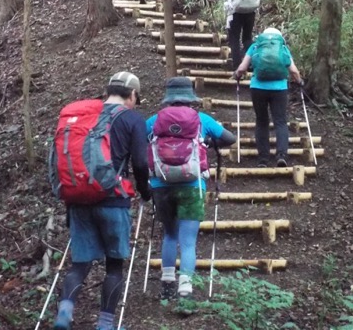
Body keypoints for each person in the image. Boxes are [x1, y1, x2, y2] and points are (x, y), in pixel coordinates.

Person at [53, 72, 151, 330]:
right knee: (114, 266)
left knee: (80, 264)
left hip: (78, 199)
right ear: (132, 95)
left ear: (107, 92)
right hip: (113, 200)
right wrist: (146, 191)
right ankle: (105, 323)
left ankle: (65, 311)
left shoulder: (86, 116)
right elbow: (140, 162)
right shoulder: (132, 119)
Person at [146, 77, 235, 302]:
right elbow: (230, 139)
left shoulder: (153, 121)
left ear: (168, 98)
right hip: (192, 185)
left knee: (168, 234)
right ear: (190, 97)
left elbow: (138, 143)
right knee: (188, 241)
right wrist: (206, 141)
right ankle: (185, 287)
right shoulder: (201, 119)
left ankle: (167, 282)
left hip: (160, 184)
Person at [234, 28, 303, 168]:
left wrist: (237, 75)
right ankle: (281, 155)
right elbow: (294, 71)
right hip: (280, 89)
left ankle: (263, 159)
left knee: (261, 122)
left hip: (258, 88)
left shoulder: (255, 46)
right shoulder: (283, 48)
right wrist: (300, 81)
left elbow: (242, 68)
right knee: (281, 122)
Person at [205, 0, 262, 70]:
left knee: (234, 40)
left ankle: (237, 67)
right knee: (247, 38)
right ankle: (251, 64)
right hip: (251, 10)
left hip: (235, 14)